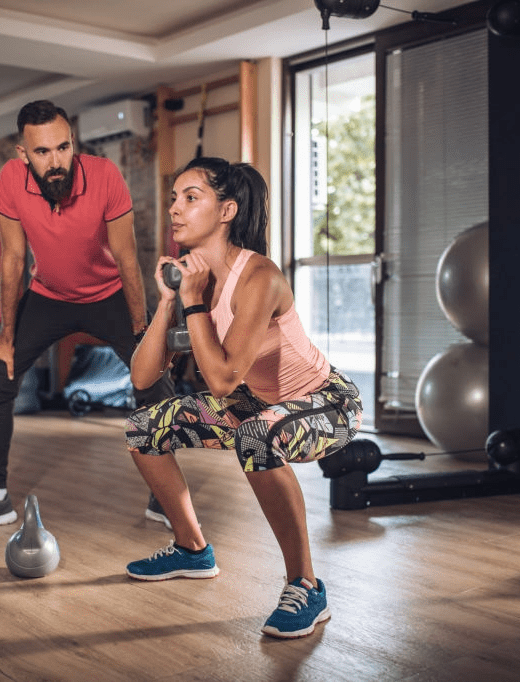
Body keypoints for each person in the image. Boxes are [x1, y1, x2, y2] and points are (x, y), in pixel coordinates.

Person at [123, 157, 363, 639]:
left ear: (227, 210)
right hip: (259, 402)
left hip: (327, 403)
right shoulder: (190, 278)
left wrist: (191, 302)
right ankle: (192, 550)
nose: (175, 209)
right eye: (174, 198)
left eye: (192, 198)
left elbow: (223, 380)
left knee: (257, 436)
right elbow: (143, 374)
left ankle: (306, 586)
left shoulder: (260, 278)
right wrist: (170, 301)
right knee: (143, 428)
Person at [0, 100, 173, 529]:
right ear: (23, 153)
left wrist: (142, 330)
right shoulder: (11, 180)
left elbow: (126, 257)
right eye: (43, 152)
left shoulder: (104, 176)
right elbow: (12, 258)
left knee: (154, 379)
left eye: (64, 148)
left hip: (109, 295)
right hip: (48, 296)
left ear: (73, 143)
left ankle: (165, 495)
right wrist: (6, 335)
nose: (56, 161)